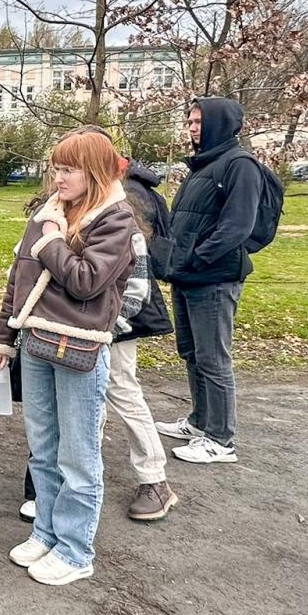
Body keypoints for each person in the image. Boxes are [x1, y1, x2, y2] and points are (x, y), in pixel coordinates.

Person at [0, 128, 137, 586]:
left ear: (92, 172)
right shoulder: (48, 213)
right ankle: (46, 531)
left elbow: (86, 281)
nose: (59, 178)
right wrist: (2, 337)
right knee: (44, 449)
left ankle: (75, 550)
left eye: (69, 169)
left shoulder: (116, 220)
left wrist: (52, 239)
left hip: (79, 346)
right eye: (56, 167)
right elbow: (20, 277)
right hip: (34, 341)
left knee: (78, 454)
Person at [155, 98, 262, 466]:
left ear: (221, 122)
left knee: (214, 359)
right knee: (192, 353)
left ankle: (220, 439)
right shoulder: (204, 165)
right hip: (186, 275)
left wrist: (197, 257)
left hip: (213, 279)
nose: (193, 127)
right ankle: (200, 422)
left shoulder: (239, 166)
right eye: (189, 121)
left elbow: (237, 226)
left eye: (199, 121)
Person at [111, 158, 178, 521]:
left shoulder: (127, 200)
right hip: (80, 323)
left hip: (117, 322)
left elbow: (136, 281)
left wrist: (109, 324)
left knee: (121, 387)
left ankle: (155, 480)